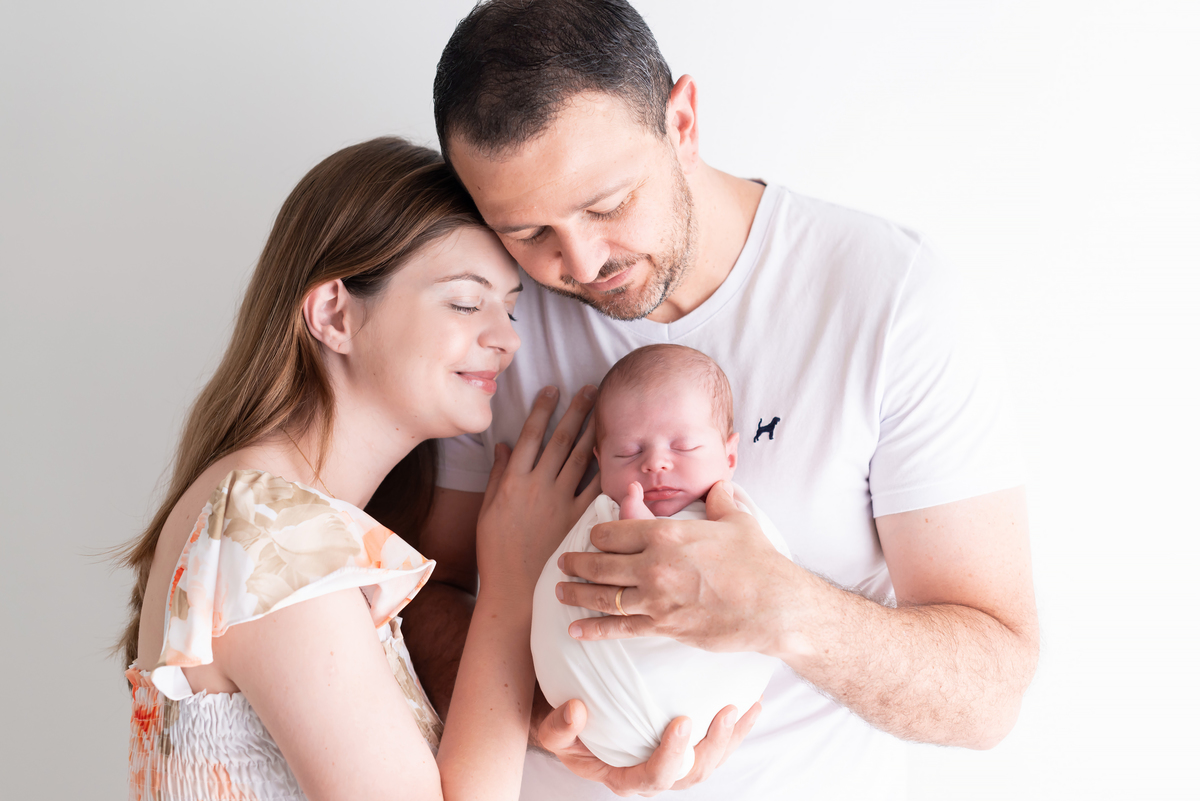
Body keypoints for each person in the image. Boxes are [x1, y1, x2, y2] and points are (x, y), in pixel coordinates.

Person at [384, 1, 1041, 799]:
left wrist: (785, 608)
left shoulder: (889, 297)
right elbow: (416, 598)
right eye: (527, 233)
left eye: (607, 205)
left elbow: (990, 694)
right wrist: (531, 715)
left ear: (683, 122)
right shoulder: (486, 318)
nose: (580, 262)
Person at [115, 136, 681, 801]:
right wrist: (511, 583)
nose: (508, 338)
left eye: (510, 307)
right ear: (334, 314)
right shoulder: (270, 528)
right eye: (466, 302)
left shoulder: (270, 513)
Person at [531, 344, 789, 782]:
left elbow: (773, 580)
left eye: (684, 446)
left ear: (729, 457)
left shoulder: (738, 520)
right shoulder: (601, 518)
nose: (655, 463)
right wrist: (631, 526)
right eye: (628, 453)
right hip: (591, 711)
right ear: (600, 463)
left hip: (711, 705)